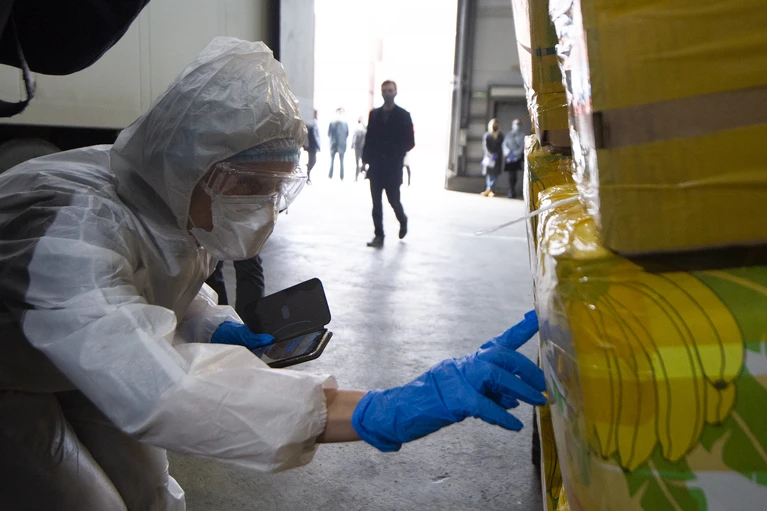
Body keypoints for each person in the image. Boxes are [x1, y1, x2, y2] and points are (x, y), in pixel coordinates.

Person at [0, 38, 546, 510]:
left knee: (150, 493)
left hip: (75, 363)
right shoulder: (71, 229)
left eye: (275, 189)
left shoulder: (170, 201)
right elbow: (161, 389)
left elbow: (151, 287)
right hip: (12, 377)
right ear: (189, 161)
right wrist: (380, 409)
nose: (263, 209)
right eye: (248, 186)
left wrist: (214, 326)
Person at [362, 80, 415, 248]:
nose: (387, 93)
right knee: (376, 204)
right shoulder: (374, 115)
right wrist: (365, 160)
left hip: (393, 167)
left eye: (390, 90)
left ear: (396, 92)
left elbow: (410, 141)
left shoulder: (403, 115)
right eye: (384, 90)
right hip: (376, 167)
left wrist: (397, 153)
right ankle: (379, 236)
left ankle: (402, 219)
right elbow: (369, 139)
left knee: (394, 201)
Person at [503, 119, 525, 199]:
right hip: (509, 157)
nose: (516, 126)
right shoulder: (508, 134)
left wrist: (515, 154)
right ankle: (511, 189)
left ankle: (512, 189)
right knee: (510, 174)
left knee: (514, 174)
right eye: (515, 124)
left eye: (518, 124)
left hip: (517, 157)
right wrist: (508, 153)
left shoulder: (522, 135)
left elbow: (522, 147)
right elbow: (504, 144)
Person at [481, 119, 504, 197]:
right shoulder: (487, 135)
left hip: (497, 157)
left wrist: (495, 153)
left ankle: (491, 189)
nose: (495, 126)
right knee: (489, 174)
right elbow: (485, 146)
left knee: (495, 174)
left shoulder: (500, 135)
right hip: (489, 157)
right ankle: (488, 188)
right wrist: (490, 153)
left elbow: (501, 145)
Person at [328, 107, 349, 180]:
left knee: (335, 161)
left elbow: (329, 133)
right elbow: (347, 134)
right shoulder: (344, 123)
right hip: (339, 144)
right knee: (338, 161)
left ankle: (333, 176)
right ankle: (340, 176)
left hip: (335, 144)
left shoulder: (333, 122)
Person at [303, 109, 321, 184]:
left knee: (312, 160)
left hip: (311, 145)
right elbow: (314, 135)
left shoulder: (312, 122)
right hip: (312, 145)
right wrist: (318, 145)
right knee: (313, 160)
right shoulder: (312, 122)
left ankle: (308, 175)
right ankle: (308, 175)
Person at [351, 116, 367, 181]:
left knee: (357, 163)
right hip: (363, 147)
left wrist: (352, 145)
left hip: (357, 148)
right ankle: (364, 174)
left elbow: (354, 138)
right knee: (363, 162)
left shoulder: (356, 129)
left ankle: (356, 177)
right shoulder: (364, 129)